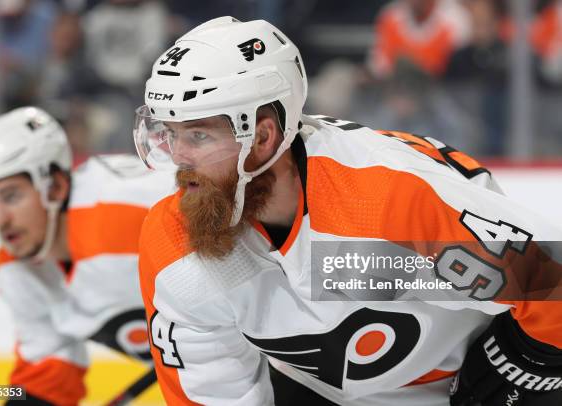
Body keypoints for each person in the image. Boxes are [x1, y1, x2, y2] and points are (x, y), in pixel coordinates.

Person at [135, 17, 562, 406]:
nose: (178, 157)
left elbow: (553, 282)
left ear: (263, 136)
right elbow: (209, 397)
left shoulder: (387, 198)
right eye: (170, 134)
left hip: (465, 380)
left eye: (198, 135)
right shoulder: (174, 243)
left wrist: (526, 362)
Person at [0, 106, 175, 405]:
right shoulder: (16, 268)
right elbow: (47, 377)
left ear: (56, 186)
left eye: (11, 196)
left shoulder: (126, 214)